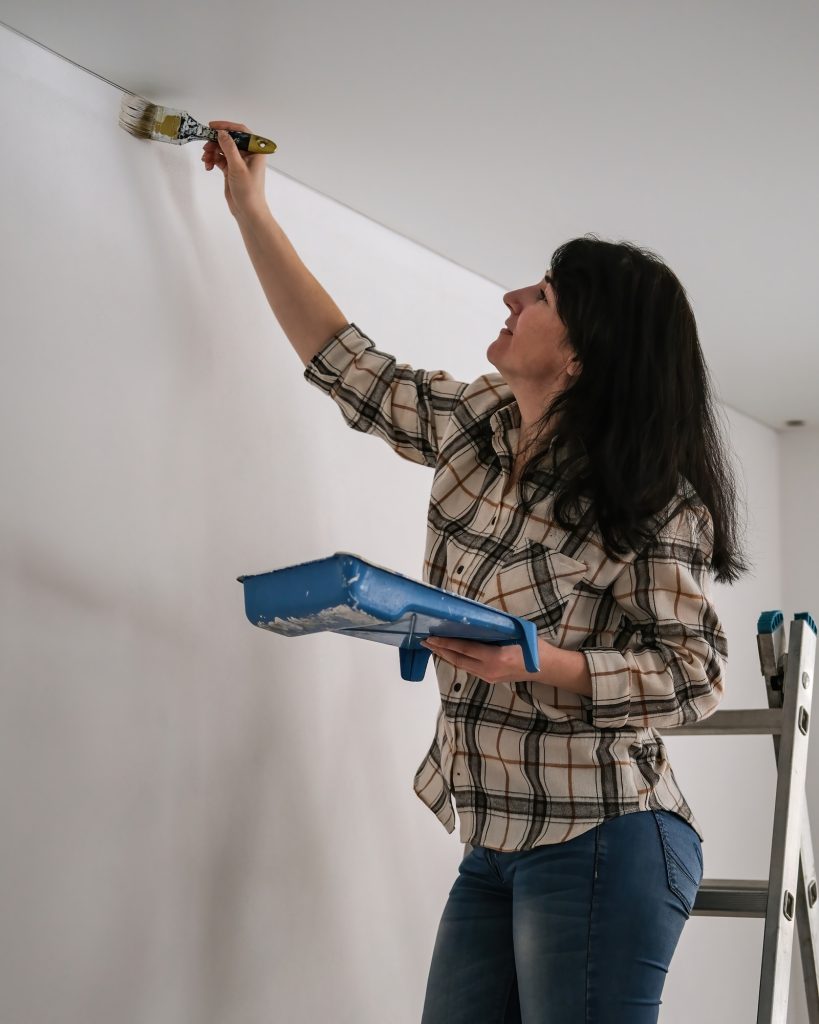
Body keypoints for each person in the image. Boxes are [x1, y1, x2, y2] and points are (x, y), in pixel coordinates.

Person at [203, 122, 749, 1023]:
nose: (510, 296)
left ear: (581, 354)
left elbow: (695, 675)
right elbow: (351, 369)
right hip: (493, 834)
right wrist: (249, 206)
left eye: (541, 294)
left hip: (605, 836)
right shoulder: (481, 424)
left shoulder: (652, 499)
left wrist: (537, 660)